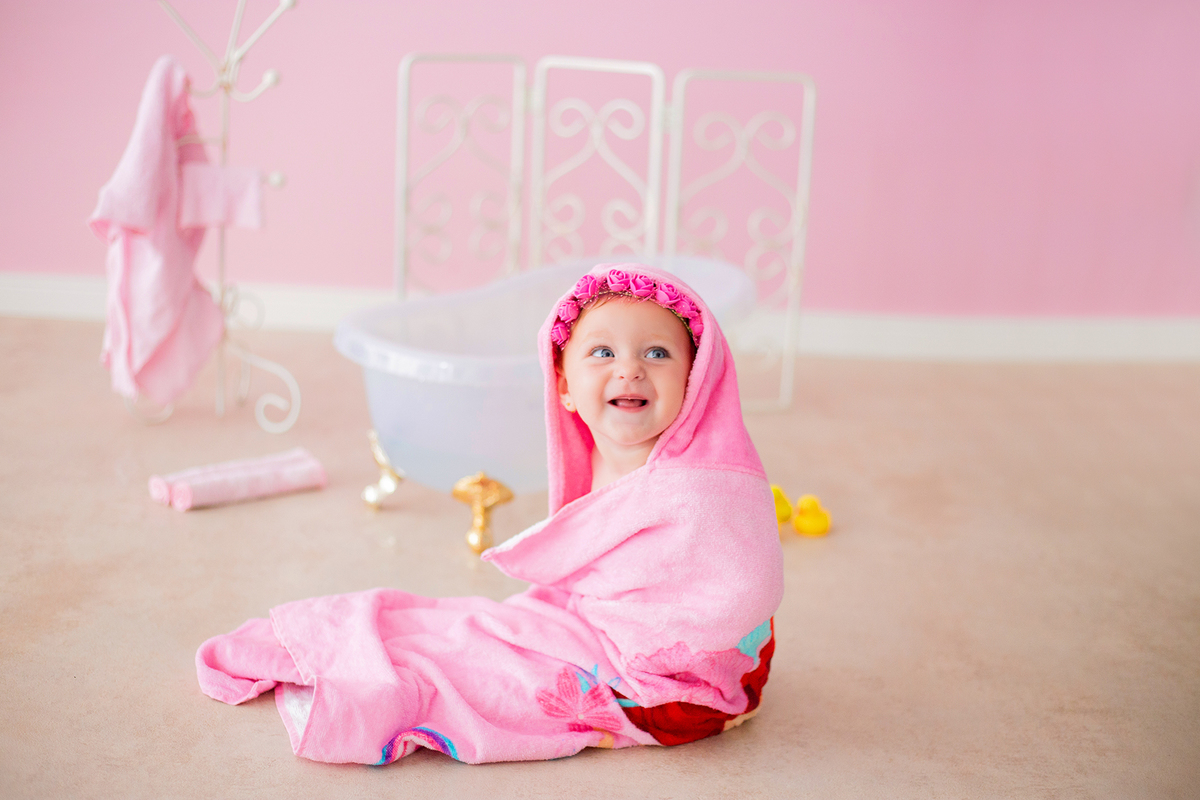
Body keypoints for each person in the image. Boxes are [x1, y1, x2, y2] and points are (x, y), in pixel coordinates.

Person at [196, 264, 784, 765]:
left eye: (657, 353)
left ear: (697, 380)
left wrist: (649, 645)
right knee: (462, 627)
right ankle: (314, 643)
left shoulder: (703, 487)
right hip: (608, 623)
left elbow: (738, 584)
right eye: (602, 351)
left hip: (679, 687)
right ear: (565, 387)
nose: (629, 367)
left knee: (483, 676)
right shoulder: (613, 453)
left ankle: (369, 692)